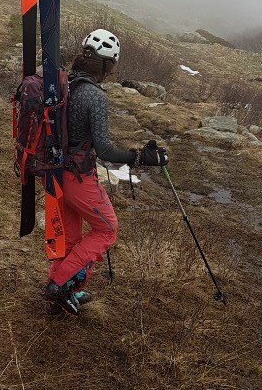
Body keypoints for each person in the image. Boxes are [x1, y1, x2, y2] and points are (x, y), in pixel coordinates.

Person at [44, 28, 169, 316]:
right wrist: (140, 157)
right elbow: (104, 150)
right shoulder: (94, 96)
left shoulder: (63, 83)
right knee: (107, 229)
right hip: (78, 177)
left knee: (72, 238)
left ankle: (62, 293)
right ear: (106, 65)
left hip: (53, 172)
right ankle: (59, 285)